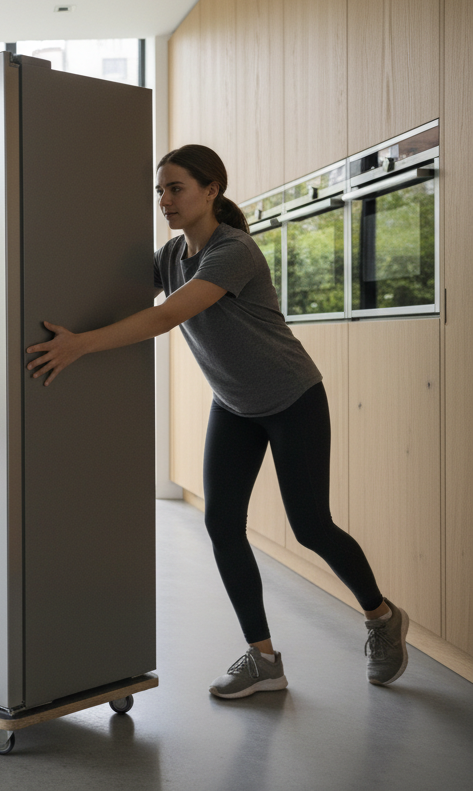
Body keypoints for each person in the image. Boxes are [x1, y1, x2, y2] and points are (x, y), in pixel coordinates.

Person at [24, 144, 409, 699]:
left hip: (291, 396)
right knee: (222, 525)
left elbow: (167, 315)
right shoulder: (172, 255)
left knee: (310, 526)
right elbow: (120, 293)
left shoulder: (233, 251)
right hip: (234, 404)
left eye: (175, 188)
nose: (164, 200)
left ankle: (380, 617)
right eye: (159, 190)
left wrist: (80, 346)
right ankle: (263, 659)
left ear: (212, 191)